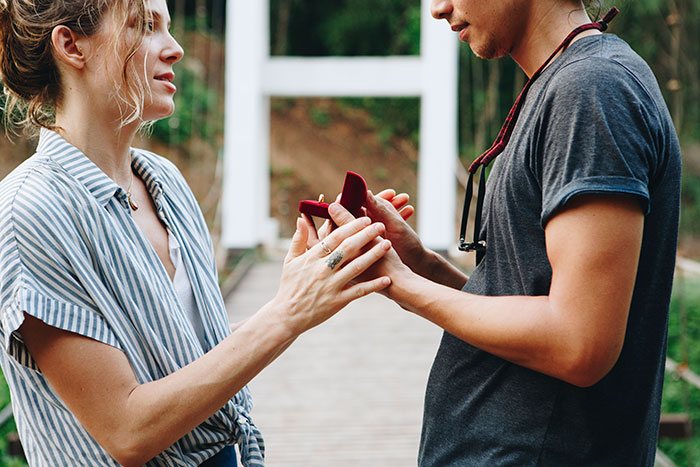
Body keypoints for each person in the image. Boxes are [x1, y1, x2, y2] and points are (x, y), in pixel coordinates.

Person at [0, 0, 397, 465]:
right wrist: (286, 313)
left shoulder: (163, 181)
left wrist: (305, 283)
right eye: (145, 26)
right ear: (71, 45)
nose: (176, 50)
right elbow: (127, 432)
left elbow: (190, 361)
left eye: (169, 27)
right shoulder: (29, 211)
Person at [316, 0, 682, 464]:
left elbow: (579, 345)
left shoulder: (592, 89)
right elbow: (528, 300)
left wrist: (406, 288)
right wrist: (418, 264)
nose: (438, 9)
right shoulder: (562, 83)